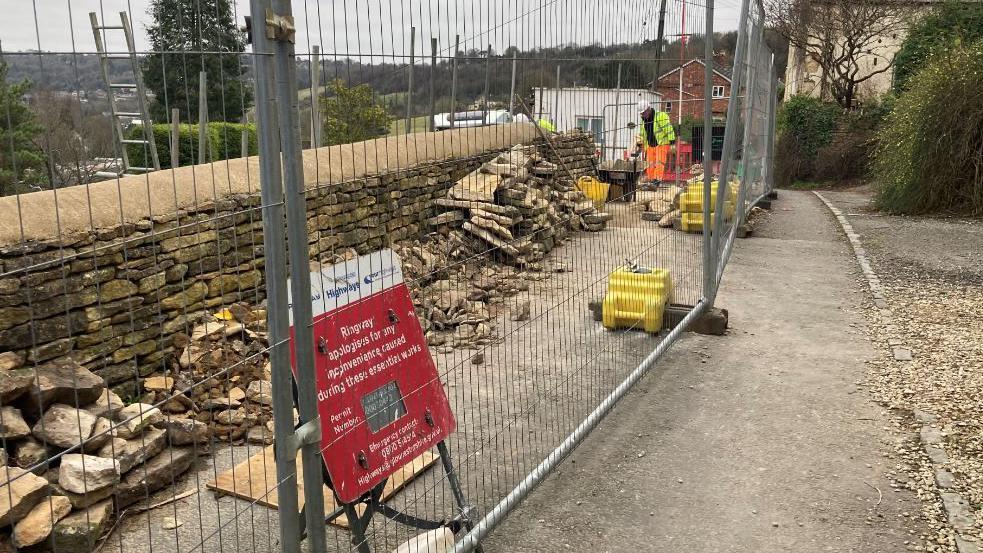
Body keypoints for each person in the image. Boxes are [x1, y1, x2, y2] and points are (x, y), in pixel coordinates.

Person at [636, 100, 676, 182]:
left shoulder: (660, 116)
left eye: (643, 113)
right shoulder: (643, 121)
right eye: (641, 113)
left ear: (648, 109)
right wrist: (639, 145)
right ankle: (650, 181)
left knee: (659, 163)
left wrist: (672, 143)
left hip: (661, 144)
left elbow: (669, 129)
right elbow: (642, 135)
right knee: (649, 164)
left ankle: (656, 181)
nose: (642, 115)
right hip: (650, 145)